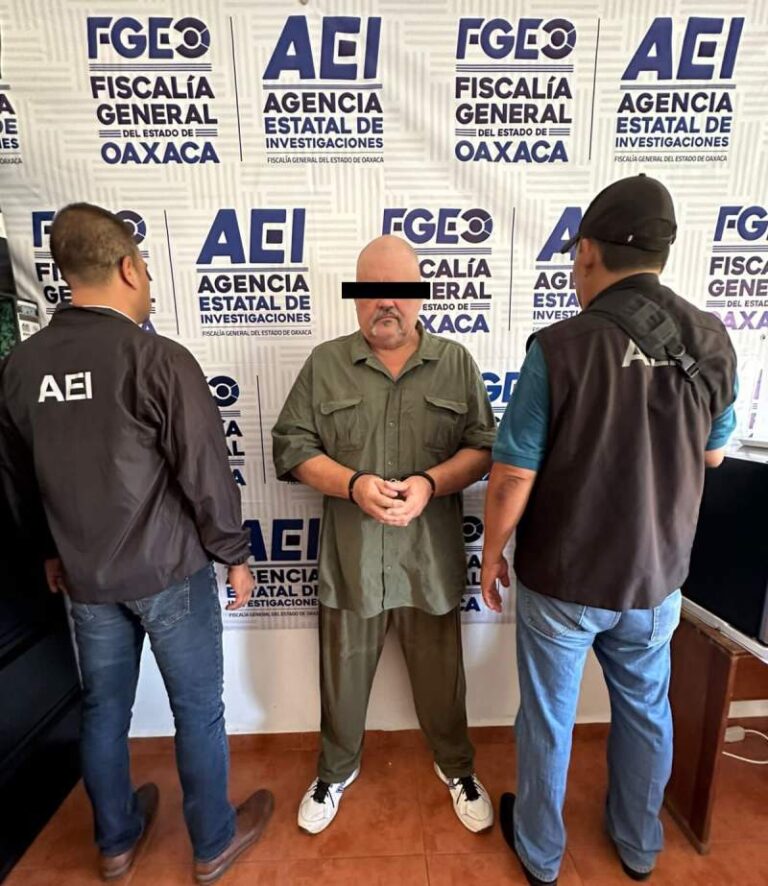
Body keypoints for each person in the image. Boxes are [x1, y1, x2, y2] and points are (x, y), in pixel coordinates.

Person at [0, 203, 274, 885]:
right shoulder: (157, 358)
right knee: (198, 713)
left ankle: (116, 843)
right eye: (145, 267)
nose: (147, 280)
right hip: (169, 574)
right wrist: (234, 554)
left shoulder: (21, 367)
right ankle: (212, 843)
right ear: (127, 267)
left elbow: (16, 480)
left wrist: (48, 552)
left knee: (104, 710)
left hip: (86, 581)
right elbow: (206, 473)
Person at [480, 175, 737, 886]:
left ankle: (540, 857)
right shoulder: (712, 339)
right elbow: (715, 453)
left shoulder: (560, 346)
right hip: (655, 580)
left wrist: (492, 551)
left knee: (548, 719)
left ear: (587, 252)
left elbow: (512, 475)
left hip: (564, 580)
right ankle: (638, 846)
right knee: (647, 712)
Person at [272, 235, 497, 836]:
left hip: (430, 561)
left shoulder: (455, 362)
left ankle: (457, 767)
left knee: (443, 680)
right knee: (341, 679)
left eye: (399, 289)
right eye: (372, 290)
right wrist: (352, 485)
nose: (386, 302)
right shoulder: (325, 363)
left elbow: (483, 447)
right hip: (352, 560)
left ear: (419, 294)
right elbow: (291, 446)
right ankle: (334, 770)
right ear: (355, 297)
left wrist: (430, 482)